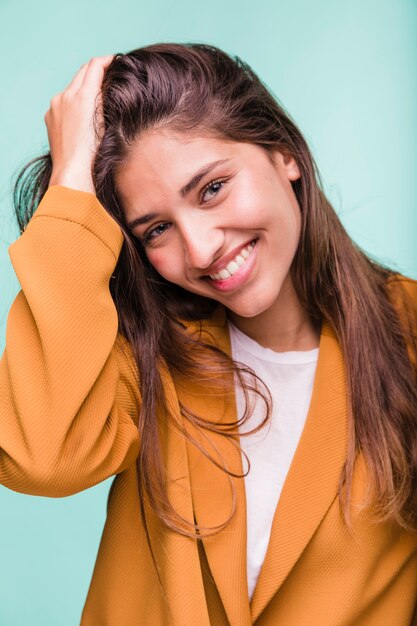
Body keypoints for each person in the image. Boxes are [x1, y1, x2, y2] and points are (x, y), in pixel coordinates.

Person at [1, 42, 417, 625]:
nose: (200, 249)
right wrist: (72, 184)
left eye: (212, 188)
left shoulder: (408, 332)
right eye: (156, 229)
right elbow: (38, 459)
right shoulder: (142, 358)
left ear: (282, 153)